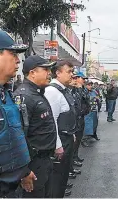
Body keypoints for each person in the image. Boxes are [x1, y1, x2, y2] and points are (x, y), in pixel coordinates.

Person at [0, 29, 36, 198]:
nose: (18, 60)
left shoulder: (3, 93)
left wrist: (23, 172)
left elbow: (12, 136)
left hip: (10, 188)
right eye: (13, 53)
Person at [14, 55, 57, 197]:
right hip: (33, 163)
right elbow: (17, 136)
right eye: (45, 69)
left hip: (44, 160)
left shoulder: (37, 93)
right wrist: (24, 170)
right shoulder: (25, 96)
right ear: (32, 72)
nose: (49, 73)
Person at [44, 61, 77, 197]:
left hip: (66, 137)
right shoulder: (52, 91)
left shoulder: (63, 90)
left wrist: (71, 133)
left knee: (62, 176)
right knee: (56, 179)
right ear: (58, 73)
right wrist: (58, 145)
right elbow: (52, 121)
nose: (72, 75)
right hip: (60, 142)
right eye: (68, 71)